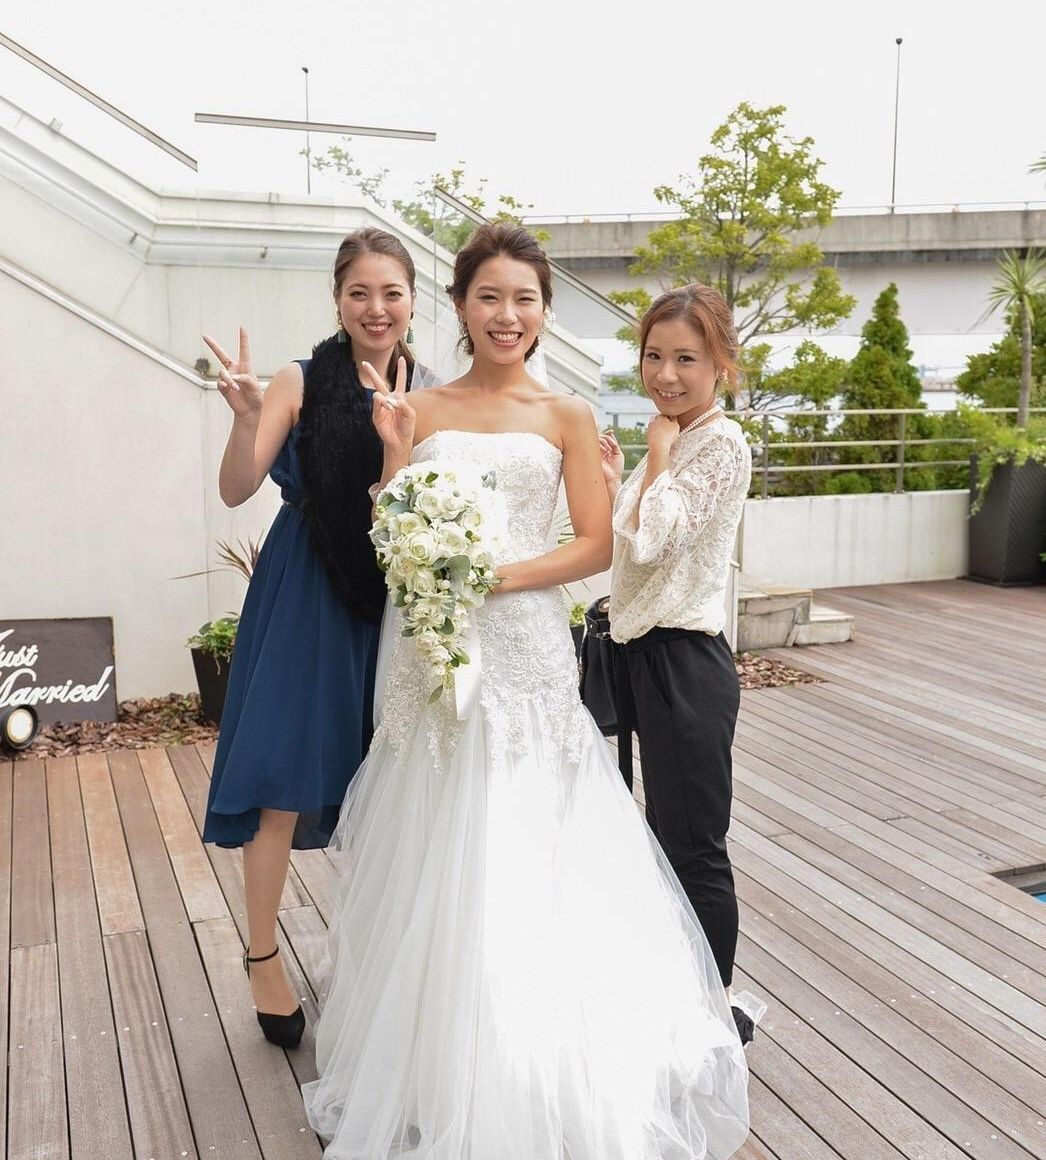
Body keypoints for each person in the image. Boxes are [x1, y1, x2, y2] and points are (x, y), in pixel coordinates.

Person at [302, 225, 749, 1159]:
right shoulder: (417, 408)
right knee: (436, 829)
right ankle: (437, 1062)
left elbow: (592, 544)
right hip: (431, 649)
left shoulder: (569, 415)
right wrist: (393, 457)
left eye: (525, 299)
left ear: (544, 312)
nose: (508, 315)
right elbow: (391, 532)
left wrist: (489, 576)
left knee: (530, 828)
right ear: (460, 306)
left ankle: (535, 1062)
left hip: (526, 647)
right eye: (490, 297)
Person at [201, 227, 422, 1049]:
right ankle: (262, 957)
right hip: (306, 589)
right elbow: (236, 488)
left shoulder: (431, 388)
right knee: (281, 776)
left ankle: (376, 958)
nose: (376, 307)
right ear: (338, 299)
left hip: (395, 592)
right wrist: (247, 418)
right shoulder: (300, 378)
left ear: (412, 301)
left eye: (391, 292)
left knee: (388, 783)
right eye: (360, 292)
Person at [598, 284, 754, 1043]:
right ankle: (679, 993)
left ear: (721, 365)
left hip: (685, 663)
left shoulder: (718, 443)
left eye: (686, 358)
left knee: (693, 845)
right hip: (644, 657)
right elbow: (630, 542)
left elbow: (657, 538)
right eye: (654, 356)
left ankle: (714, 1009)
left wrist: (654, 454)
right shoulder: (679, 436)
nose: (665, 374)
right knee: (660, 840)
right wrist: (618, 477)